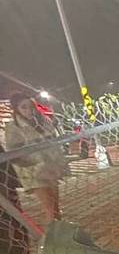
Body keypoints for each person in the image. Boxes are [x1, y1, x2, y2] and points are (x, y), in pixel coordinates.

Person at [4, 92, 70, 224]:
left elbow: (54, 142)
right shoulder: (13, 128)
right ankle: (50, 239)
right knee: (49, 208)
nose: (29, 110)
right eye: (24, 107)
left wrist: (58, 162)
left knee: (56, 207)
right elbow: (13, 153)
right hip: (33, 173)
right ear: (16, 109)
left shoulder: (44, 121)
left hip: (51, 168)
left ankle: (60, 233)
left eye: (31, 106)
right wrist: (34, 161)